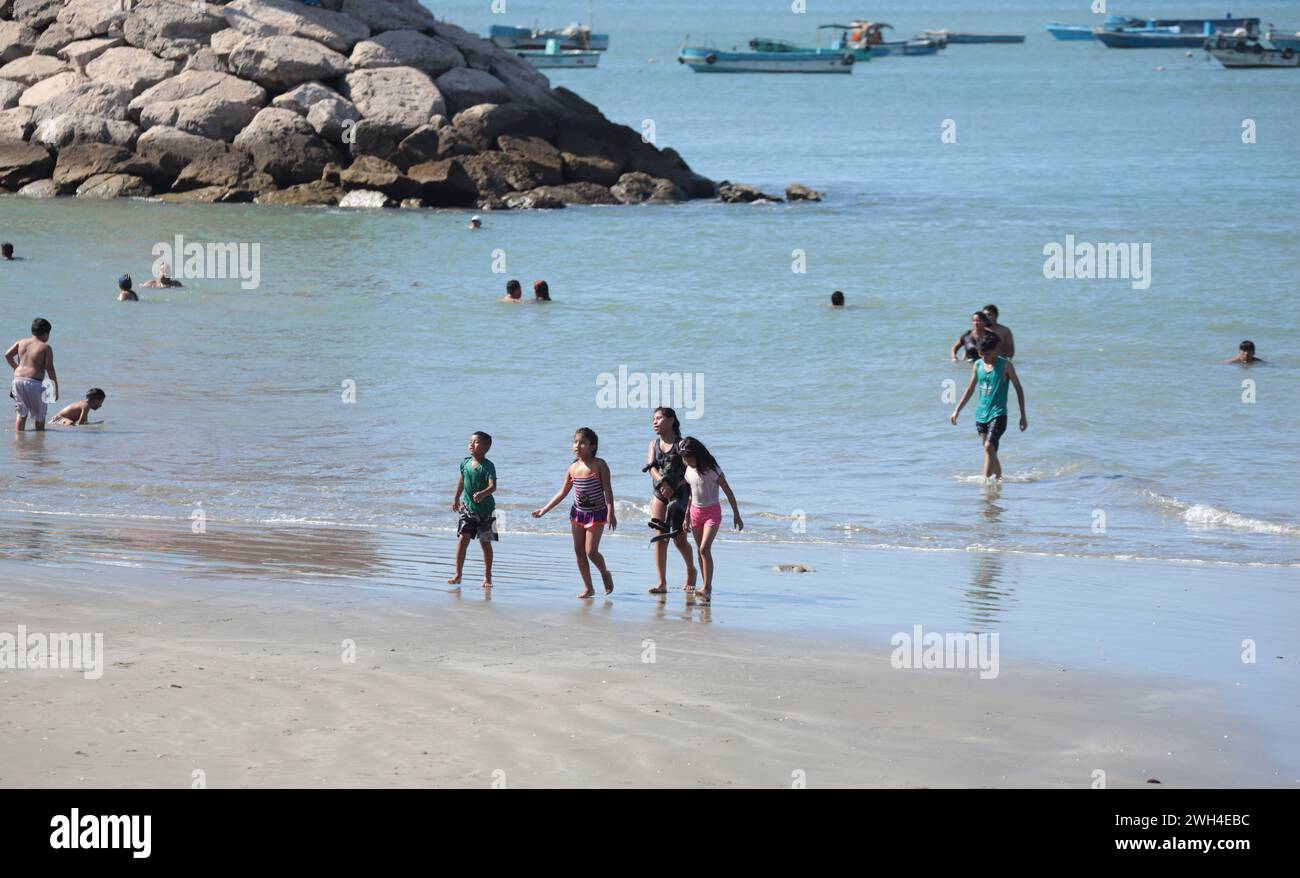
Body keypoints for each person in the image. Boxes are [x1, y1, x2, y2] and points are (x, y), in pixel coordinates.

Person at [532, 427, 617, 598]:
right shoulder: (573, 467)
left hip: (597, 513)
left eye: (583, 443)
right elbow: (562, 492)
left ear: (593, 446)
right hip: (577, 514)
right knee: (578, 551)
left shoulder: (599, 465)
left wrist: (611, 512)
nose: (578, 445)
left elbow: (608, 490)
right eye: (576, 442)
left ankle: (605, 572)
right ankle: (589, 587)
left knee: (591, 551)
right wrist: (544, 509)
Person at [950, 335, 1027, 480]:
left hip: (998, 414)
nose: (985, 357)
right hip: (981, 415)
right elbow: (970, 389)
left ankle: (985, 483)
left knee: (988, 447)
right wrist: (957, 410)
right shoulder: (978, 365)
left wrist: (1023, 415)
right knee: (990, 451)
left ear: (996, 351)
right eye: (982, 353)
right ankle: (998, 479)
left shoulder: (1006, 365)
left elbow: (1018, 388)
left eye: (988, 353)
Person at [677, 437, 742, 603]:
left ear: (697, 455)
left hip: (712, 513)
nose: (686, 461)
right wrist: (686, 516)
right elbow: (692, 494)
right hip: (695, 513)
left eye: (689, 458)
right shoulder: (688, 470)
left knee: (705, 549)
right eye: (684, 458)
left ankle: (707, 587)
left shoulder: (712, 470)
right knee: (700, 550)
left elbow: (728, 491)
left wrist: (736, 514)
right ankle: (705, 587)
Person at [645, 407, 696, 595]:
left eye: (659, 418)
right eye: (653, 419)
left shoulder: (681, 444)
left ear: (671, 420)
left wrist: (674, 486)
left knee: (679, 540)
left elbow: (690, 471)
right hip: (660, 492)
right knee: (660, 538)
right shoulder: (653, 444)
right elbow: (651, 468)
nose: (654, 422)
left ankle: (691, 570)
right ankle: (662, 583)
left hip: (680, 493)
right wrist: (662, 482)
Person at [448, 431, 497, 589]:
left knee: (485, 543)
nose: (471, 444)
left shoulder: (488, 466)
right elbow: (461, 481)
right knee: (463, 538)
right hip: (467, 508)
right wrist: (456, 498)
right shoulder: (465, 463)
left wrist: (483, 493)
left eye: (475, 442)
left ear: (486, 447)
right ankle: (458, 574)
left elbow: (493, 486)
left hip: (486, 511)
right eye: (470, 441)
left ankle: (487, 576)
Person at [5, 317, 58, 431]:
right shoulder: (46, 347)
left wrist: (16, 368)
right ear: (45, 333)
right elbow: (50, 369)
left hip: (17, 381)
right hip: (35, 383)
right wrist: (54, 390)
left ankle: (19, 439)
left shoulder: (21, 342)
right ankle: (39, 441)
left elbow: (7, 355)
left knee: (21, 413)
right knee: (40, 415)